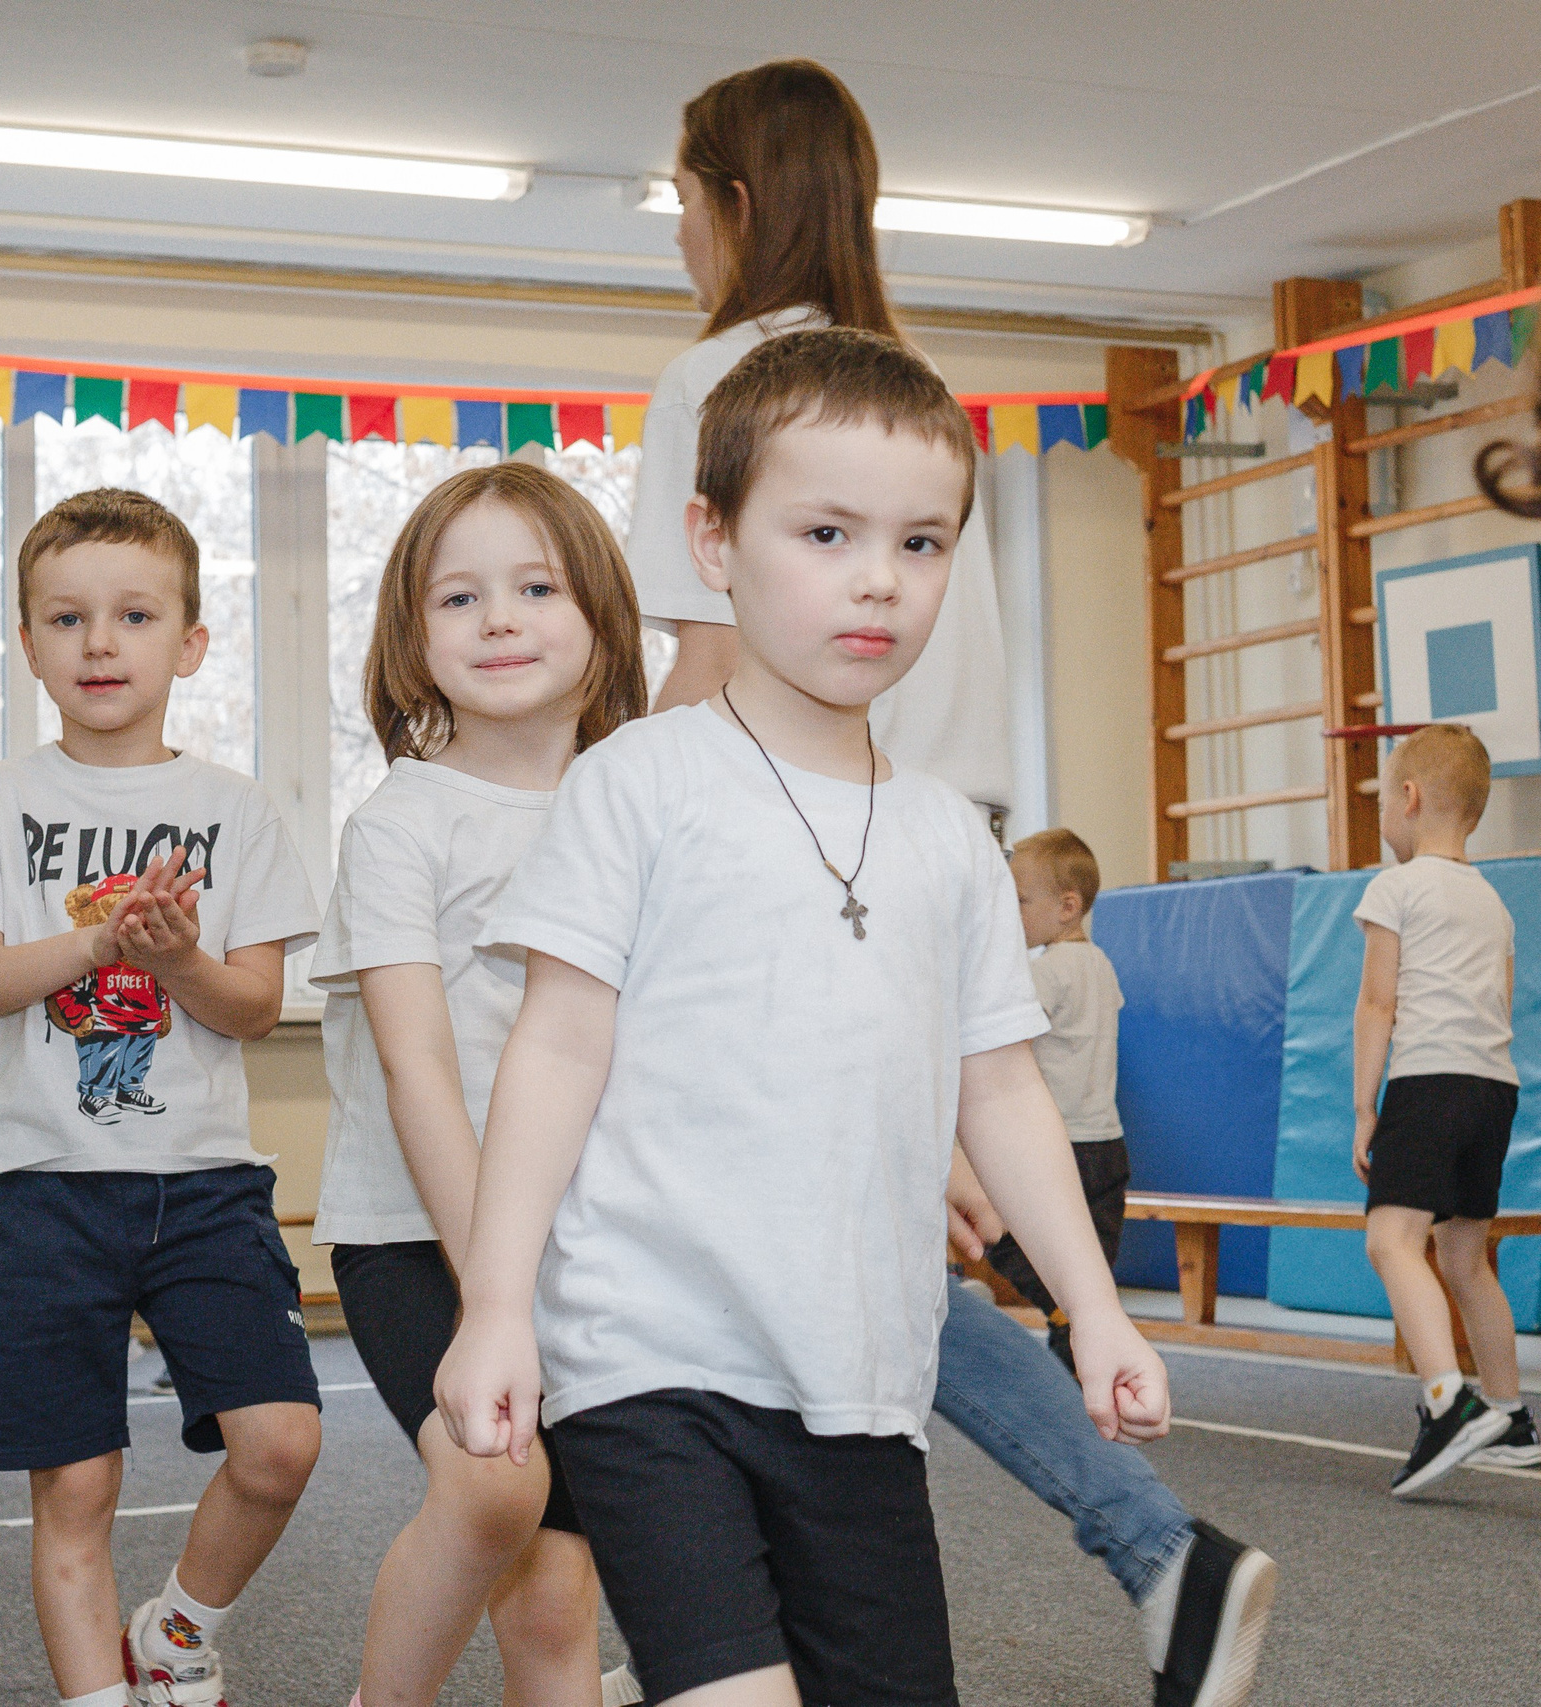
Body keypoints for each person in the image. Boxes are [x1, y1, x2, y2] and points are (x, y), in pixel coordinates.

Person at [436, 329, 1174, 1707]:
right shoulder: (641, 783)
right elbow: (556, 1044)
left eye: (923, 541)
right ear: (713, 540)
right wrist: (495, 1306)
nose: (879, 580)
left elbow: (1001, 1088)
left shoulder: (954, 836)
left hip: (863, 1375)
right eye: (827, 531)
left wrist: (1093, 1304)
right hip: (648, 1354)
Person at [0, 488, 322, 1707]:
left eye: (134, 615)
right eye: (67, 618)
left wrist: (179, 955)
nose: (100, 642)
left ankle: (180, 1630)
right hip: (35, 1193)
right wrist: (101, 949)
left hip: (201, 1185)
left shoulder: (234, 811)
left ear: (187, 645)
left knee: (280, 1443)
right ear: (30, 645)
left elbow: (251, 1004)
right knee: (77, 1490)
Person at [313, 462, 641, 1707]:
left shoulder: (634, 810)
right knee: (494, 1484)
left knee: (557, 1598)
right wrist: (485, 1279)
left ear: (602, 624)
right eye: (459, 598)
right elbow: (416, 1065)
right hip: (420, 1231)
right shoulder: (404, 823)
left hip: (591, 1241)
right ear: (412, 642)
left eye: (535, 586)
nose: (498, 618)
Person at [626, 59, 1012, 815]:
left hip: (812, 825)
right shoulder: (922, 383)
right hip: (954, 826)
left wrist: (613, 804)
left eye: (684, 200)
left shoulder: (710, 381)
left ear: (734, 207)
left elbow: (713, 661)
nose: (678, 233)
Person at [1354, 725, 1531, 1494]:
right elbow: (1503, 998)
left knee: (1392, 1238)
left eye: (1382, 796)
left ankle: (1446, 1400)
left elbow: (1377, 1001)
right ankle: (1512, 1413)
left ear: (1410, 798)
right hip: (1494, 1086)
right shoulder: (1494, 902)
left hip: (1428, 1081)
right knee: (1464, 1254)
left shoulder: (1396, 887)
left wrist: (1366, 1106)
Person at [985, 828, 1132, 1374]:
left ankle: (1060, 1310)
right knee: (1090, 1269)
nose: (1010, 914)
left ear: (1068, 907)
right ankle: (1081, 1360)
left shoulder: (1044, 971)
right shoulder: (1100, 964)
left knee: (998, 1231)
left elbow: (997, 1035)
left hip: (1060, 1143)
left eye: (1019, 902)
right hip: (1107, 1142)